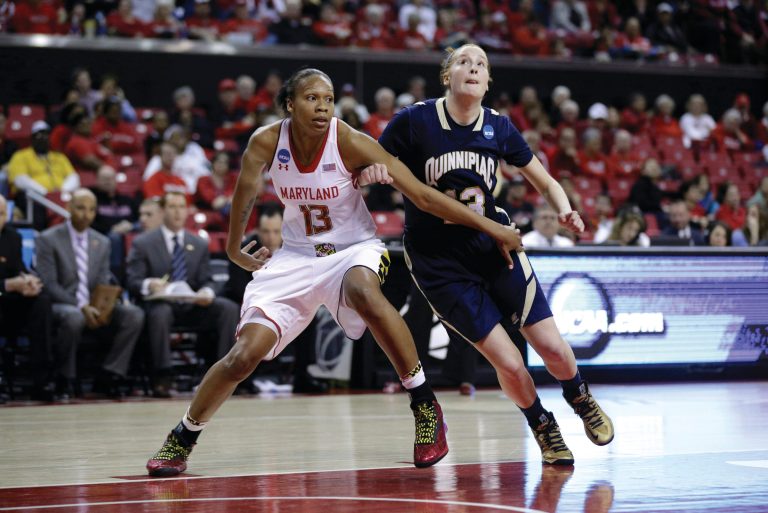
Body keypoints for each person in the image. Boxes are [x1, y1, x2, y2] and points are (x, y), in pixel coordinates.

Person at [146, 67, 522, 477]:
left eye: (327, 99)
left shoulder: (349, 141)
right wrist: (234, 249)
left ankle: (425, 405)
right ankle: (183, 436)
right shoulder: (267, 141)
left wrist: (493, 227)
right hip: (295, 257)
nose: (323, 107)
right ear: (290, 103)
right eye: (312, 98)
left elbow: (422, 195)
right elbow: (245, 195)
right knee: (242, 357)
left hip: (353, 249)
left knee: (362, 290)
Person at [373, 44, 614, 466]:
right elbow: (370, 159)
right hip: (439, 263)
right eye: (464, 61)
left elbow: (546, 181)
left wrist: (565, 210)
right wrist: (372, 169)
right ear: (447, 76)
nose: (473, 67)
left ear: (487, 83)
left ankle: (579, 396)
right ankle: (543, 425)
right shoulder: (414, 120)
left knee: (552, 348)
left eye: (481, 64)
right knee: (508, 361)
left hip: (494, 248)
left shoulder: (499, 128)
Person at [126, 191, 240, 398]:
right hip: (160, 304)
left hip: (192, 304)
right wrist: (149, 284)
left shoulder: (198, 243)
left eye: (181, 207)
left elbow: (207, 280)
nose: (178, 212)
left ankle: (225, 373)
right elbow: (133, 281)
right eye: (172, 207)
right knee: (160, 313)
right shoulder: (143, 243)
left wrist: (206, 292)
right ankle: (162, 375)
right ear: (162, 211)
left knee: (228, 308)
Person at [36, 189, 144, 398]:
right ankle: (65, 378)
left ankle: (109, 374)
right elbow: (49, 284)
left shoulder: (102, 241)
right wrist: (80, 305)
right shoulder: (48, 239)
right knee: (74, 317)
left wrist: (102, 305)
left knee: (134, 315)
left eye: (91, 209)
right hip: (62, 303)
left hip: (93, 304)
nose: (86, 214)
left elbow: (103, 279)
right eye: (80, 208)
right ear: (68, 208)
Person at [0, 194, 57, 400]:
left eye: (3, 213)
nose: (1, 218)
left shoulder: (12, 237)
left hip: (9, 303)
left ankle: (41, 380)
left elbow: (20, 269)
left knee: (41, 301)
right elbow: (8, 282)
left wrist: (29, 281)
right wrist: (6, 285)